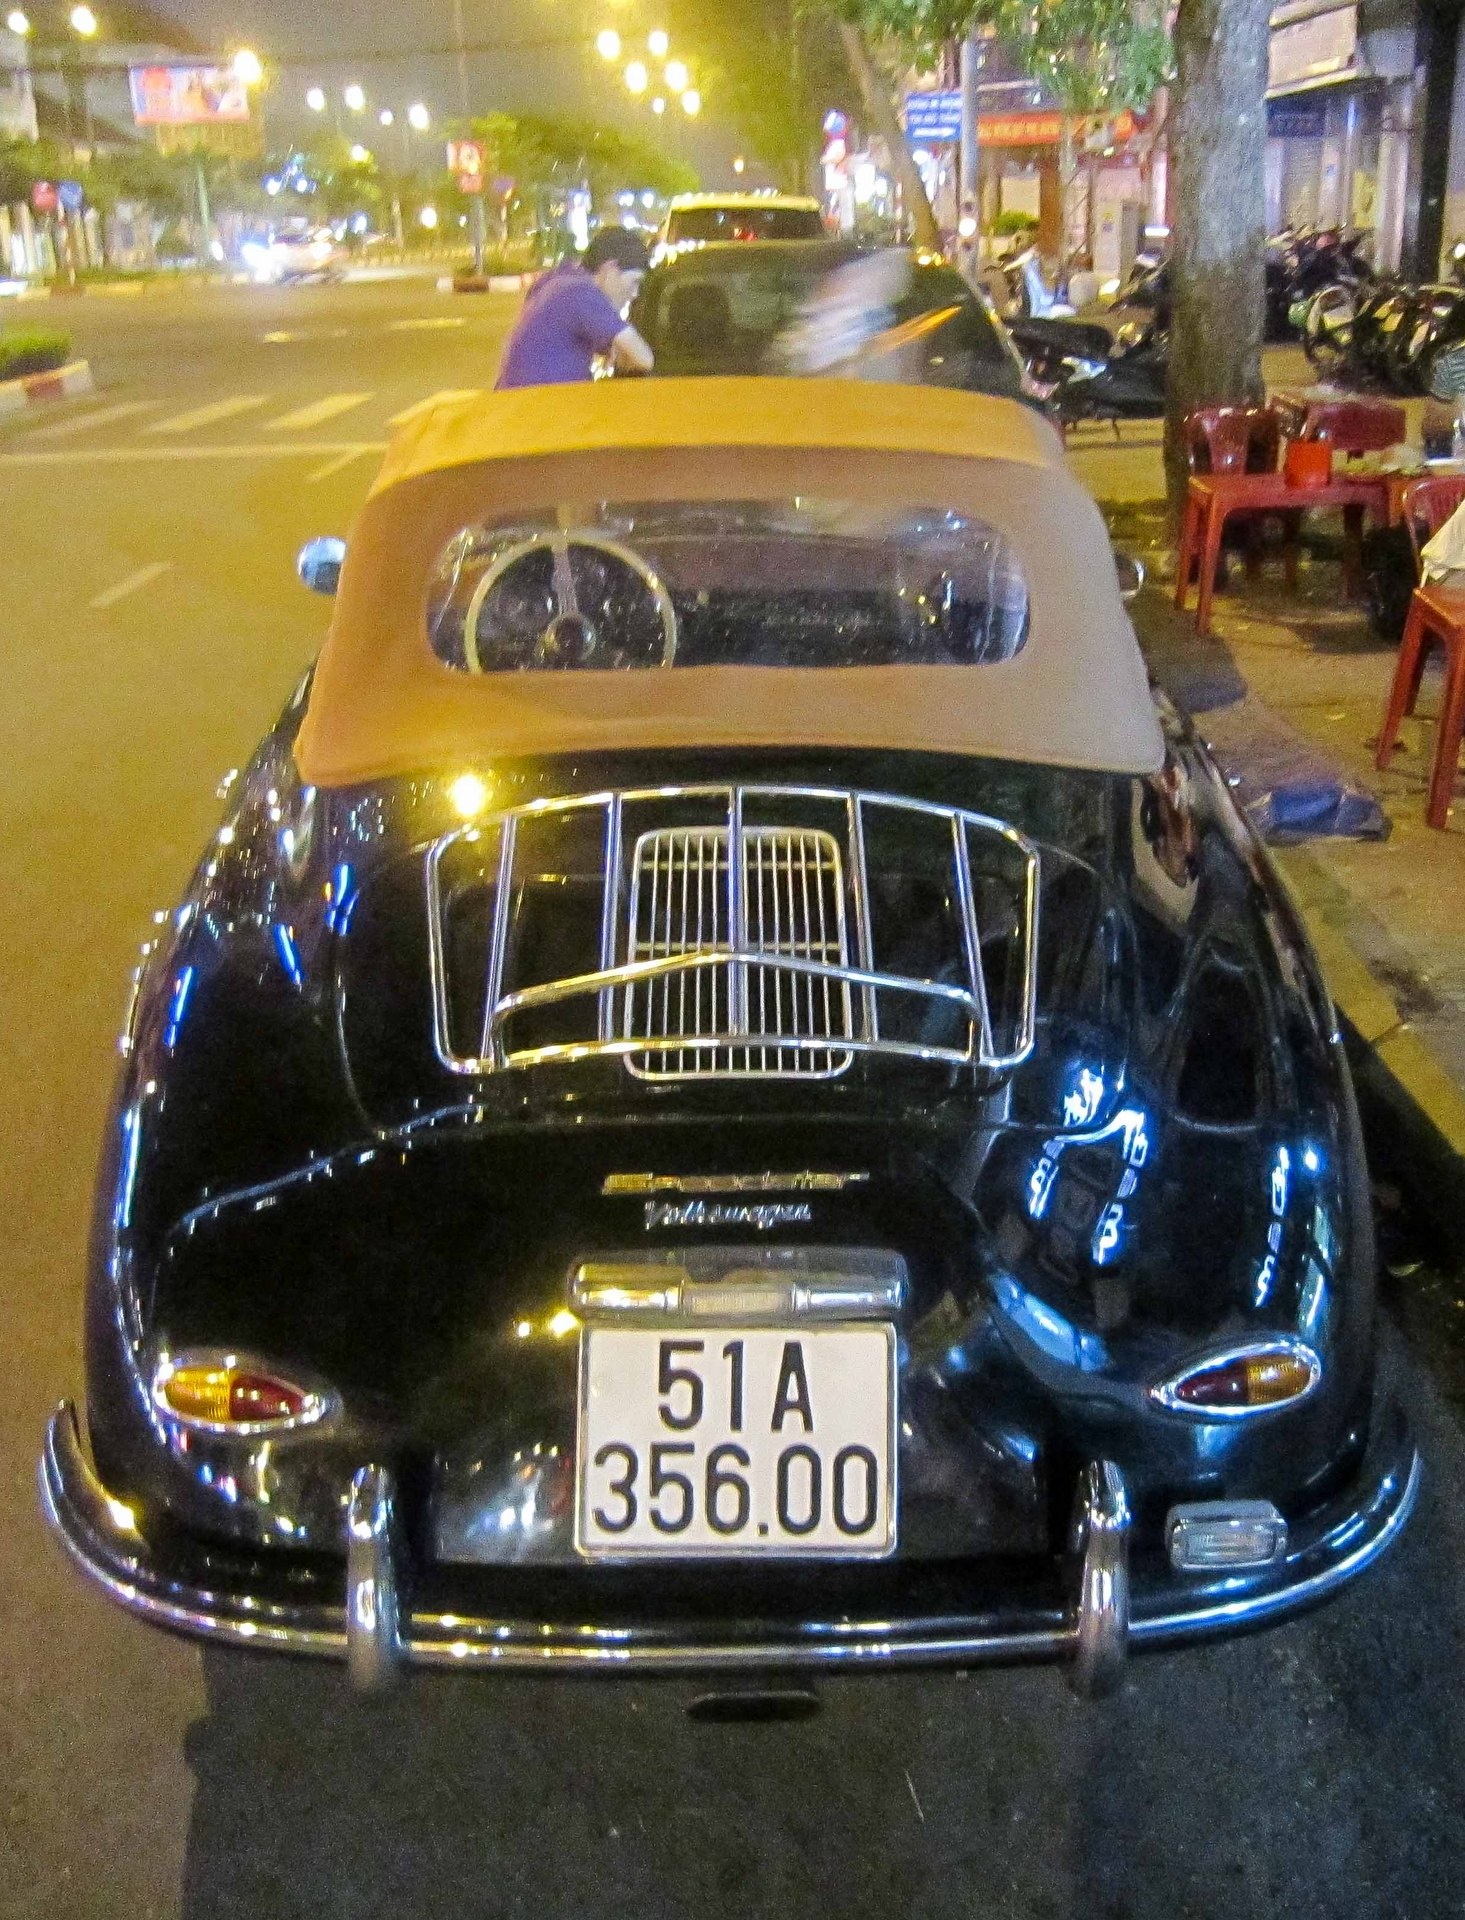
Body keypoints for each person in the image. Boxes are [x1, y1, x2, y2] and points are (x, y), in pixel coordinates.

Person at [495, 229, 655, 389]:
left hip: (514, 398)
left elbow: (613, 350)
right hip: (545, 400)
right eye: (634, 281)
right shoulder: (582, 293)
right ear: (610, 269)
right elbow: (645, 360)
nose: (634, 293)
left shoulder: (558, 279)